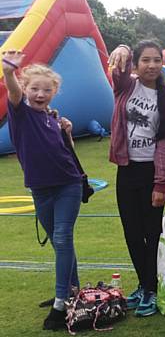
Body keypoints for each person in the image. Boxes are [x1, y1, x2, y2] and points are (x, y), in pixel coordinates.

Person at [3, 52, 82, 330]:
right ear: (26, 89)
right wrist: (9, 72)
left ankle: (62, 303)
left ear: (54, 92)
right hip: (40, 188)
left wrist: (68, 132)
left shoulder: (53, 118)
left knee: (62, 238)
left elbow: (67, 153)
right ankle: (74, 290)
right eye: (35, 89)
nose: (40, 94)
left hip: (68, 185)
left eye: (46, 90)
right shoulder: (20, 112)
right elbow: (12, 92)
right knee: (59, 242)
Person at [108, 40, 165, 317]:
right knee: (131, 233)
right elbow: (117, 71)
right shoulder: (127, 87)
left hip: (152, 172)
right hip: (126, 170)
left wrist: (162, 184)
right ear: (137, 64)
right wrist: (125, 48)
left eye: (156, 60)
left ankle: (151, 289)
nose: (151, 65)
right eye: (145, 60)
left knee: (152, 234)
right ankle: (144, 284)